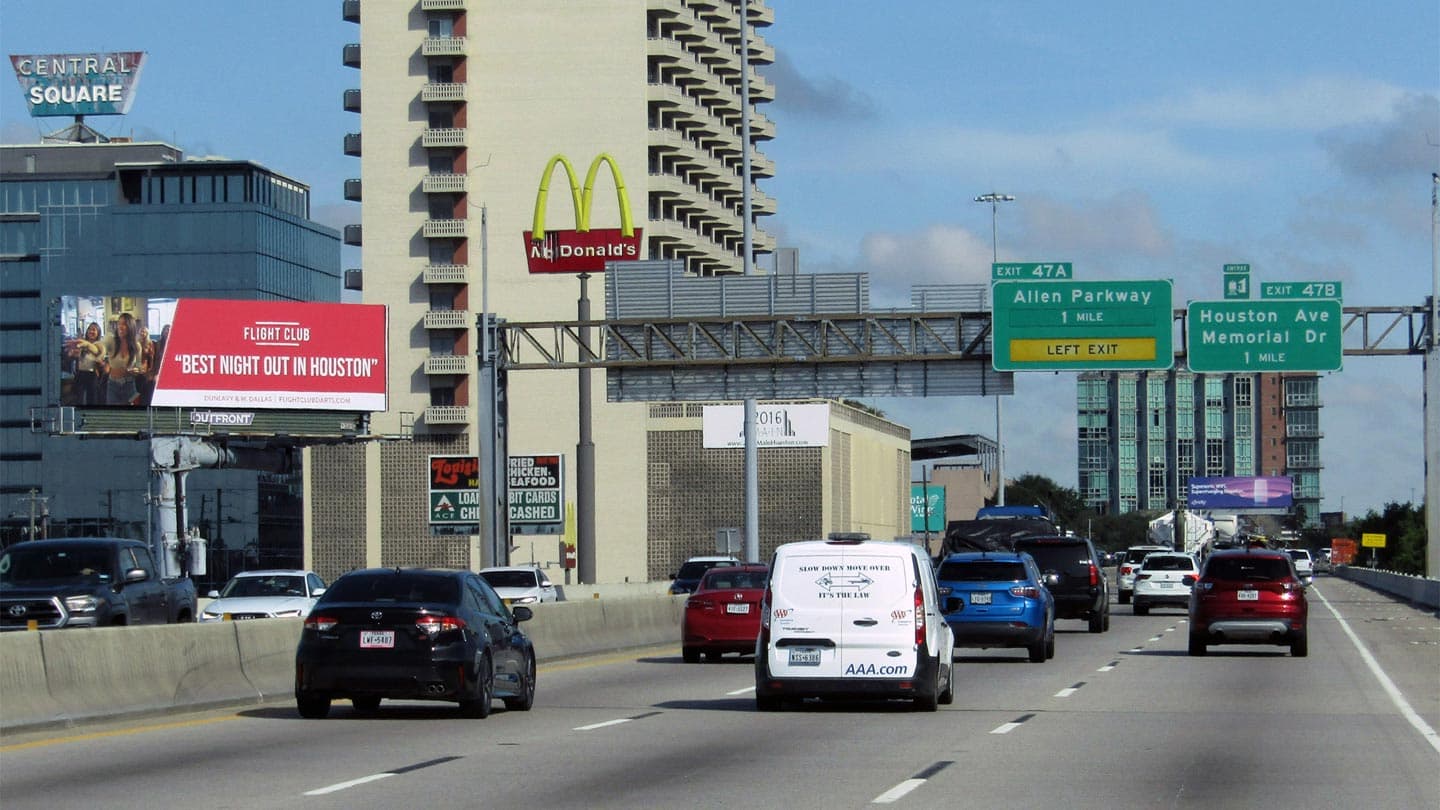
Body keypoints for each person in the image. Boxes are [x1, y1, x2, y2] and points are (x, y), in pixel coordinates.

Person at [104, 312, 145, 406]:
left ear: (131, 327)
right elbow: (100, 348)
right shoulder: (111, 340)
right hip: (112, 384)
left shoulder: (136, 346)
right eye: (119, 323)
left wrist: (136, 370)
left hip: (129, 384)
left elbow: (139, 367)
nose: (120, 327)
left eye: (124, 324)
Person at [64, 322, 107, 405]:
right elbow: (72, 357)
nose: (91, 331)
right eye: (90, 329)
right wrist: (72, 354)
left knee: (92, 399)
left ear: (98, 332)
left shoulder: (99, 345)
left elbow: (98, 354)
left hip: (93, 375)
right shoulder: (82, 344)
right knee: (78, 399)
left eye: (94, 329)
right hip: (81, 374)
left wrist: (101, 363)